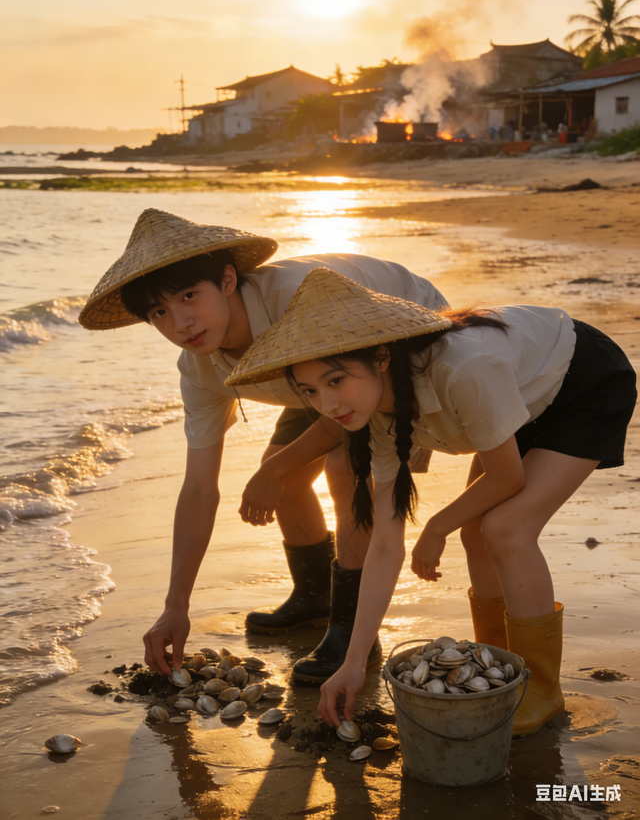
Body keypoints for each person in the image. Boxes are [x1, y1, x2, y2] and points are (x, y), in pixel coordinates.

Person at [225, 267, 636, 736]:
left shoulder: (462, 370)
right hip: (518, 390)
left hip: (582, 382)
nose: (328, 405)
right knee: (477, 534)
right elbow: (384, 542)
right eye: (311, 391)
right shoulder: (374, 413)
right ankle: (502, 671)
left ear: (381, 357)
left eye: (336, 380)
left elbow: (506, 477)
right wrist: (354, 662)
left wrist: (436, 526)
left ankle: (540, 690)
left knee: (504, 528)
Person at [79, 208, 448, 682]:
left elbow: (346, 416)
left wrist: (273, 470)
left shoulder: (295, 301)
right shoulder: (199, 368)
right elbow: (198, 488)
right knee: (286, 474)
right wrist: (175, 606)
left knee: (342, 469)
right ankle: (315, 595)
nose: (181, 323)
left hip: (397, 343)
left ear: (228, 279)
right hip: (315, 374)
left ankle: (353, 628)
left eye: (189, 295)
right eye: (159, 312)